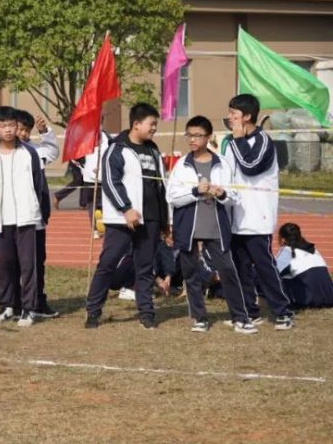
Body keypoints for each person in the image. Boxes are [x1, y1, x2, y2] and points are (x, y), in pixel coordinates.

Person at [167, 116, 257, 334]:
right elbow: (172, 196)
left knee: (227, 271)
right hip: (188, 227)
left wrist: (222, 193)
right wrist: (195, 191)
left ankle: (240, 317)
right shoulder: (181, 165)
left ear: (208, 137)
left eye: (198, 135)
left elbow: (234, 196)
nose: (193, 139)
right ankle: (199, 318)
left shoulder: (222, 164)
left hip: (216, 227)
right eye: (189, 135)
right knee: (191, 274)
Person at [84, 103, 169, 330]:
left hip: (149, 220)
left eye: (155, 125)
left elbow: (161, 185)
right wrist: (126, 208)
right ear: (136, 124)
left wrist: (164, 220)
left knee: (144, 268)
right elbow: (111, 183)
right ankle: (93, 310)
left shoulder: (153, 150)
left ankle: (147, 312)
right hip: (122, 220)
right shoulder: (117, 149)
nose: (154, 129)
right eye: (151, 124)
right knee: (108, 264)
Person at [223, 93, 294, 330]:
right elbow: (229, 173)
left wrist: (239, 139)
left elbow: (251, 166)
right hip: (236, 216)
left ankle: (283, 311)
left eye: (234, 114)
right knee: (239, 267)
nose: (229, 118)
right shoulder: (232, 143)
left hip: (257, 216)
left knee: (263, 266)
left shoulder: (263, 141)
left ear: (247, 116)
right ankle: (249, 312)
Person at [0, 107, 49, 327]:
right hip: (2, 219)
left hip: (26, 219)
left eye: (11, 125)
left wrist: (36, 212)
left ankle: (29, 308)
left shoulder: (29, 153)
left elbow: (39, 185)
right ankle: (8, 306)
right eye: (3, 126)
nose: (8, 130)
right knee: (6, 264)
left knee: (28, 265)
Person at [14, 110, 60, 318]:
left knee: (36, 261)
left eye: (27, 130)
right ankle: (13, 303)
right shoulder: (0, 153)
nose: (23, 134)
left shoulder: (35, 151)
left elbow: (51, 152)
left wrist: (45, 132)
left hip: (35, 218)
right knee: (12, 262)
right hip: (11, 218)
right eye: (20, 129)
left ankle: (38, 301)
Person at [275, 223, 333, 308]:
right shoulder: (313, 249)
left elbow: (272, 274)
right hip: (330, 297)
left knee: (273, 278)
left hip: (309, 301)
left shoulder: (287, 251)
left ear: (283, 239)